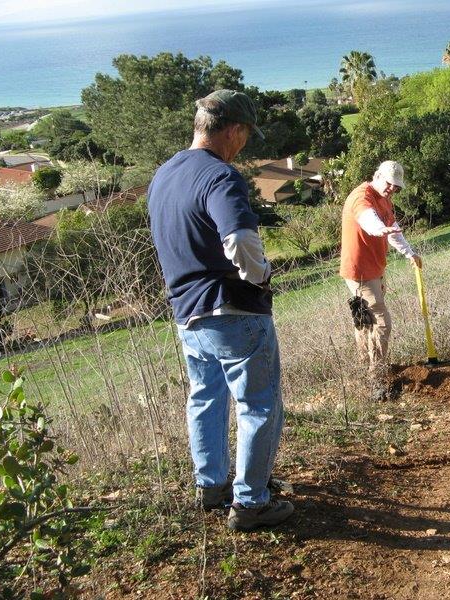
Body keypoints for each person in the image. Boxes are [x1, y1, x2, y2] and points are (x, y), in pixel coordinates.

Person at [148, 89, 293, 531]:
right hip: (232, 310)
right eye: (246, 134)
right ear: (232, 130)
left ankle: (211, 486)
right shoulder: (220, 176)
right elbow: (240, 239)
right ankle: (251, 502)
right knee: (259, 405)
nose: (244, 144)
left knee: (205, 398)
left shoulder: (165, 174)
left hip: (186, 311)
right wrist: (260, 276)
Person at [339, 160, 422, 401]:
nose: (392, 189)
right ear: (376, 176)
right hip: (360, 272)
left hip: (375, 269)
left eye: (396, 186)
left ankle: (365, 368)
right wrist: (378, 229)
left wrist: (409, 252)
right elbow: (368, 219)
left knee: (365, 322)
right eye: (389, 183)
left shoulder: (385, 199)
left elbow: (392, 227)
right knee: (381, 321)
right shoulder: (361, 197)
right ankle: (376, 376)